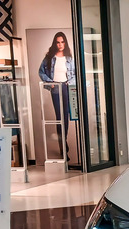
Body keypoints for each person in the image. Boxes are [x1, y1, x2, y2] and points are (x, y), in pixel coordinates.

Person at [39, 31, 76, 160]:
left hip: (66, 88)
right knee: (59, 117)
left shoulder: (70, 58)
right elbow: (41, 72)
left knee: (65, 117)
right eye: (58, 42)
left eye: (62, 42)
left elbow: (76, 75)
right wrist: (50, 83)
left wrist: (69, 83)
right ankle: (63, 148)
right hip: (56, 89)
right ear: (55, 43)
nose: (60, 45)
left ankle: (63, 145)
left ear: (65, 43)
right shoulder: (50, 57)